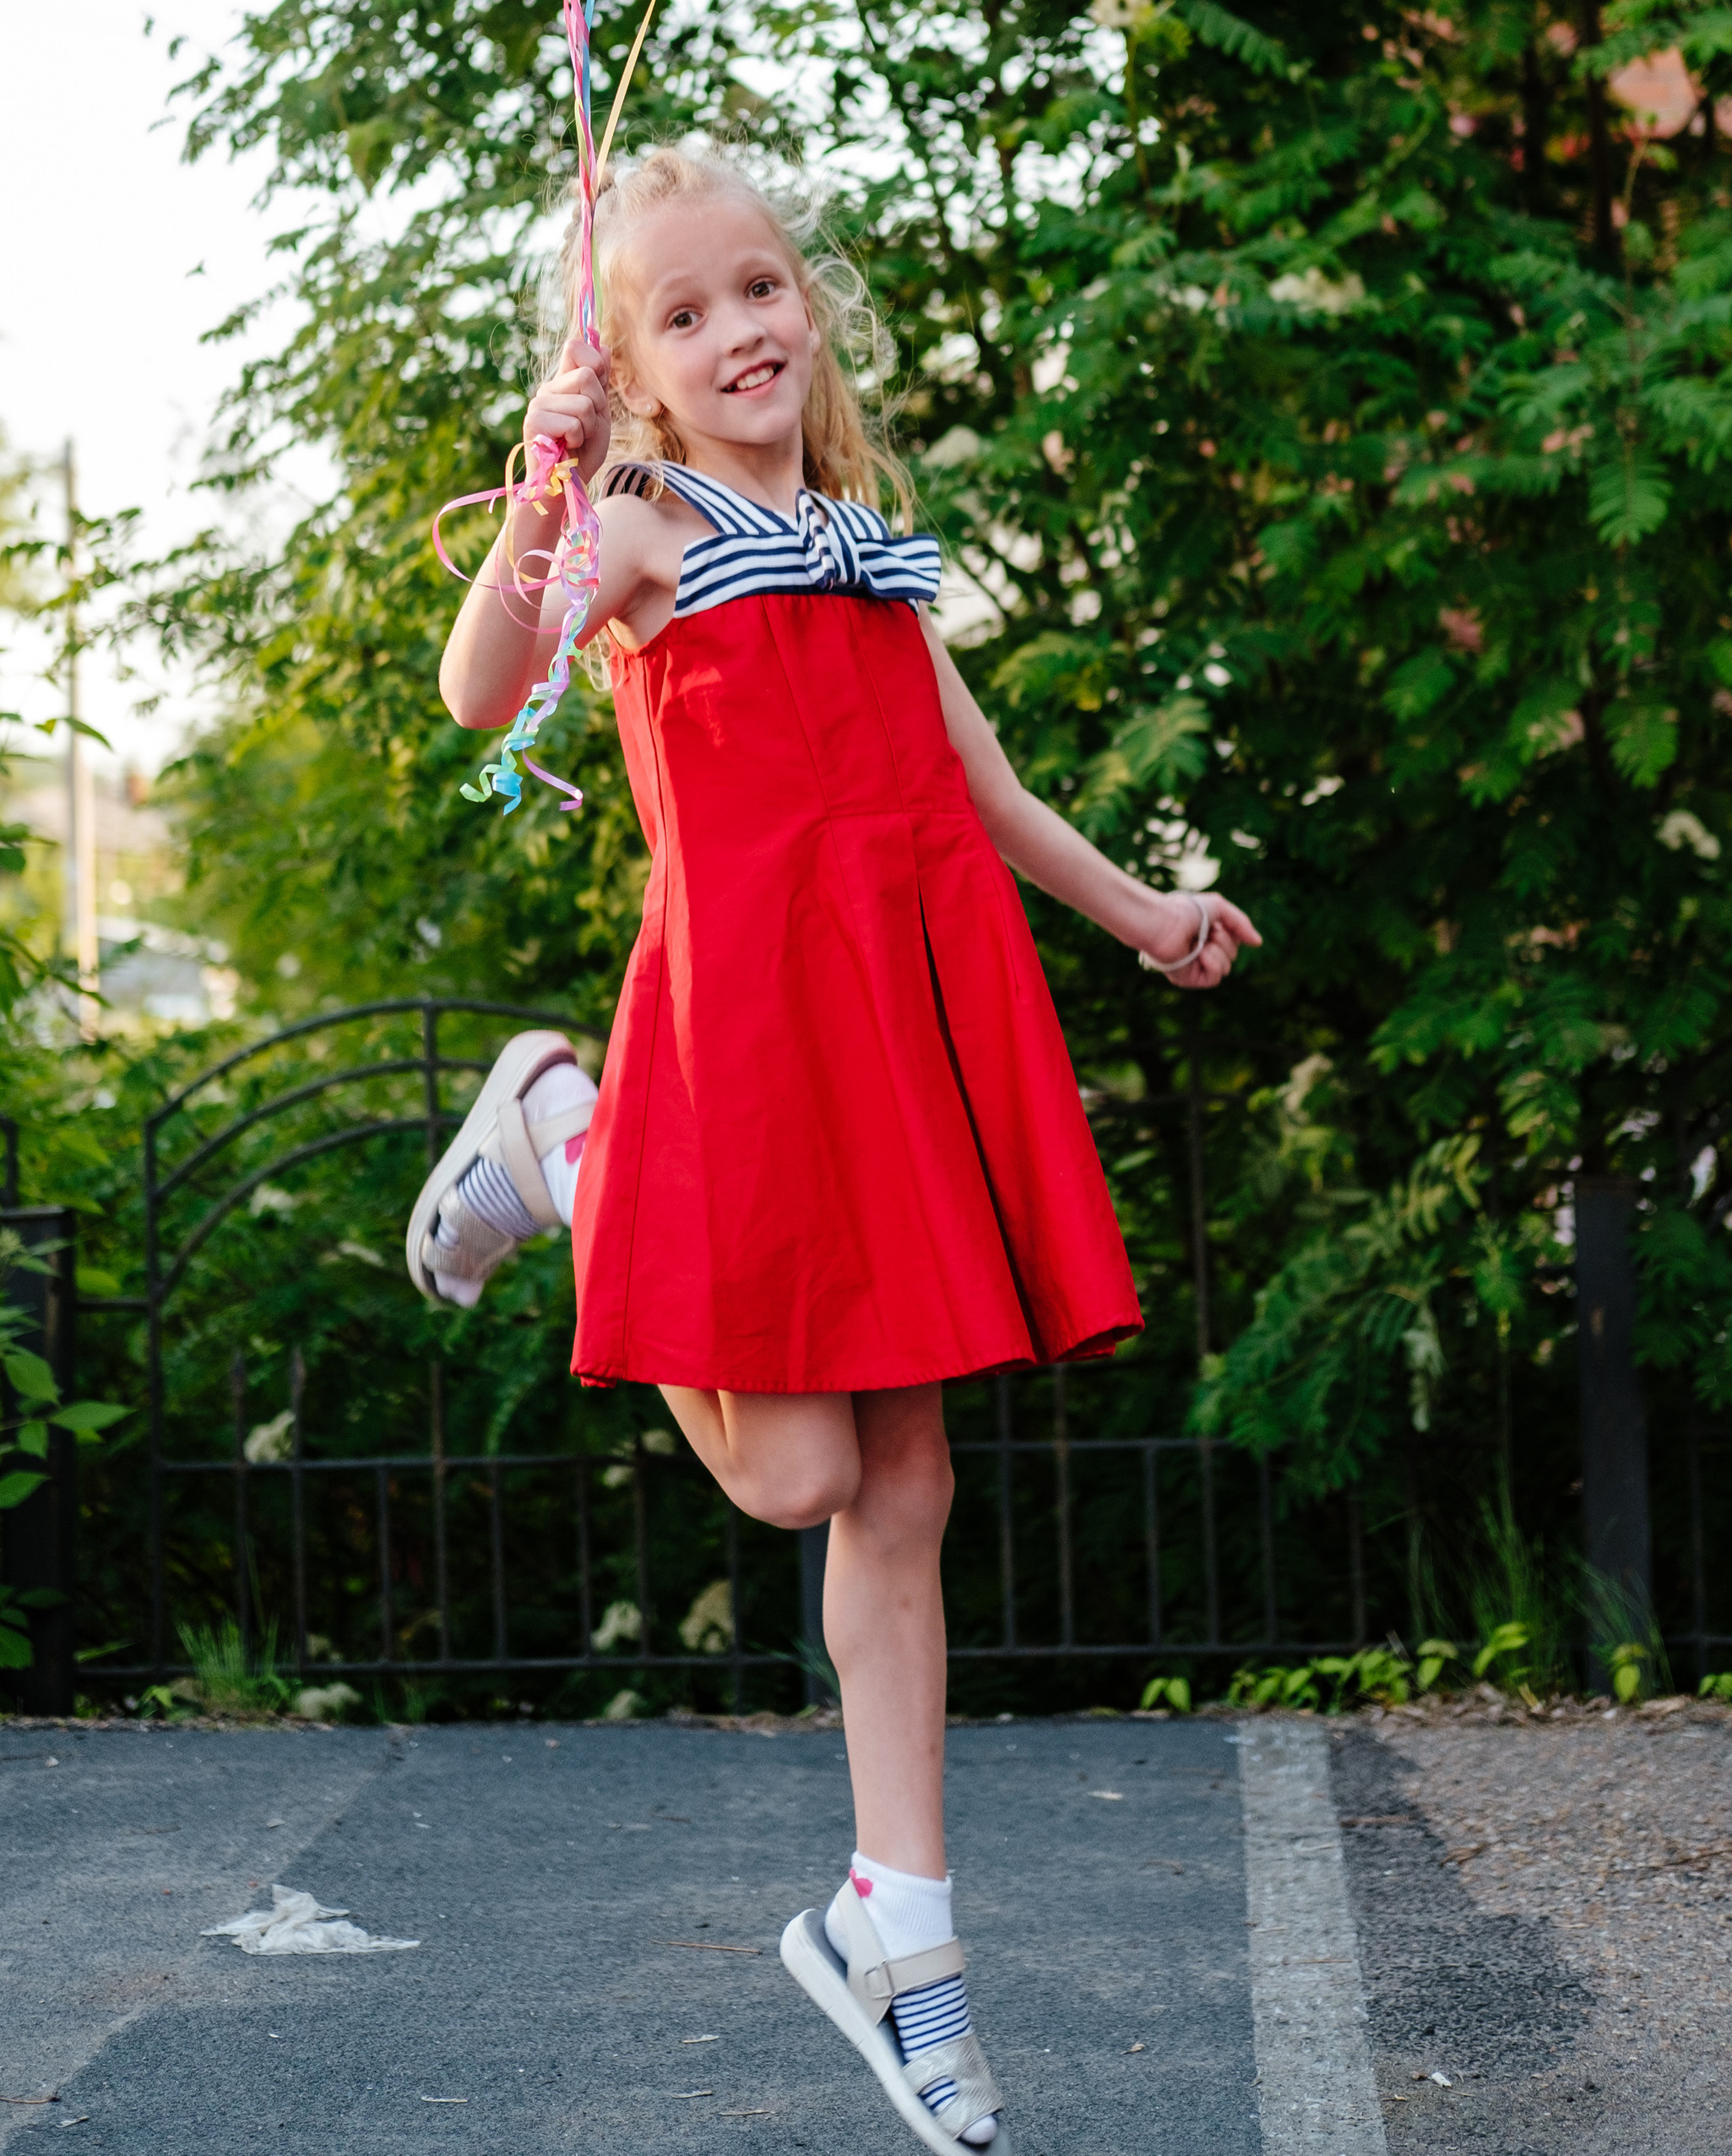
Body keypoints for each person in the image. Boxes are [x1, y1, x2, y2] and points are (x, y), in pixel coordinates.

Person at [405, 143, 1260, 2154]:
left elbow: (973, 782)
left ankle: (905, 1931)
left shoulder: (870, 543)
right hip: (745, 1021)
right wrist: (544, 489)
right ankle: (556, 1130)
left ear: (814, 309)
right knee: (795, 1472)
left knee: (905, 1478)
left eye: (761, 290)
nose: (738, 333)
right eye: (682, 316)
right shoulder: (641, 523)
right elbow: (479, 689)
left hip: (902, 1013)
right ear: (632, 366)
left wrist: (1139, 912)